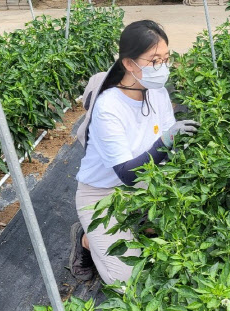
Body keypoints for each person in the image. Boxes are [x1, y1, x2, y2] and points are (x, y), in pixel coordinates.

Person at [68, 20, 200, 285]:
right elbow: (127, 174)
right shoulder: (109, 106)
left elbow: (164, 150)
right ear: (129, 64)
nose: (162, 67)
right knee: (127, 282)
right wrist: (165, 141)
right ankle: (85, 238)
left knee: (189, 239)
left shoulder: (157, 92)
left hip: (143, 188)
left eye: (166, 59)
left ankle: (134, 227)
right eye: (154, 60)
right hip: (102, 195)